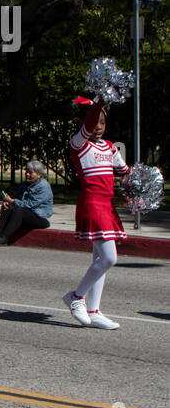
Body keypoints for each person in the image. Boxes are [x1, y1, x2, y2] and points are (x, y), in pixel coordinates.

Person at [62, 97, 129, 330]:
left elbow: (125, 172)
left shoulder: (110, 146)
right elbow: (89, 123)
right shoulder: (79, 144)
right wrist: (101, 98)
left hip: (108, 206)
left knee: (99, 259)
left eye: (102, 122)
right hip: (92, 204)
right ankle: (76, 297)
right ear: (84, 123)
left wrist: (141, 184)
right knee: (109, 258)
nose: (98, 126)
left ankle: (94, 310)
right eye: (94, 122)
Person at [0, 160, 52, 245]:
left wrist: (12, 201)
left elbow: (30, 204)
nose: (27, 174)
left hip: (39, 217)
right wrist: (8, 203)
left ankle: (4, 238)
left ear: (39, 174)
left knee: (19, 211)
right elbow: (18, 200)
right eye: (26, 172)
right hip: (24, 216)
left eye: (30, 173)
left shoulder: (43, 186)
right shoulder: (23, 185)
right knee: (8, 208)